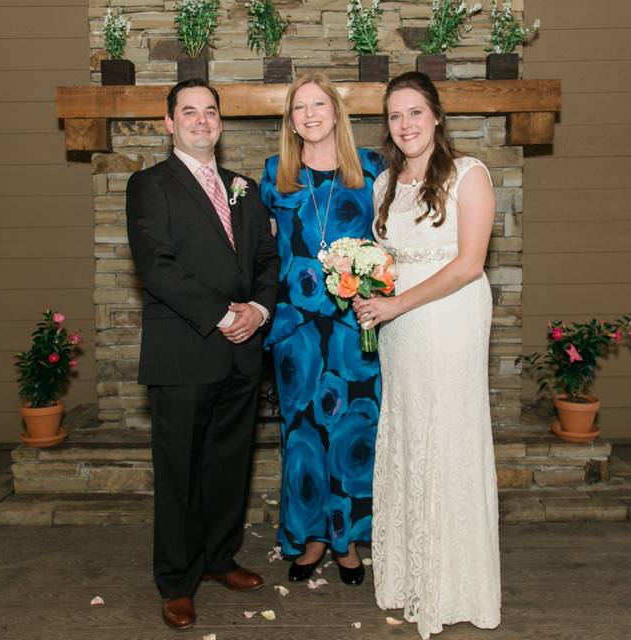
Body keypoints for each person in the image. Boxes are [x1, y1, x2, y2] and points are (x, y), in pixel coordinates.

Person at [125, 79, 280, 631]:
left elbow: (267, 256)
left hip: (242, 353)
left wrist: (259, 312)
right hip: (185, 350)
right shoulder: (149, 185)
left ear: (220, 122)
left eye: (209, 112)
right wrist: (223, 316)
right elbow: (158, 267)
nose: (200, 120)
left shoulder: (245, 187)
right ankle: (176, 579)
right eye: (188, 112)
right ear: (170, 123)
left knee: (228, 464)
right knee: (179, 470)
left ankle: (218, 559)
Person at [353, 71, 502, 639]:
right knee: (411, 435)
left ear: (436, 115)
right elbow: (390, 258)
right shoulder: (384, 183)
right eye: (395, 115)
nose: (406, 124)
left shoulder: (470, 175)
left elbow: (469, 264)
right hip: (401, 331)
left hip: (450, 319)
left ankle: (453, 583)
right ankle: (414, 574)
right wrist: (369, 294)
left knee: (446, 436)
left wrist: (397, 305)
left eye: (415, 112)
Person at [259, 73, 386, 586]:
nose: (309, 114)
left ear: (336, 111)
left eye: (318, 104)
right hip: (298, 333)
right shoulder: (274, 176)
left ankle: (348, 540)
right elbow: (264, 254)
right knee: (303, 435)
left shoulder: (372, 170)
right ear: (290, 120)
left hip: (355, 327)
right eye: (298, 107)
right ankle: (311, 538)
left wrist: (380, 290)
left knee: (354, 429)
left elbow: (392, 244)